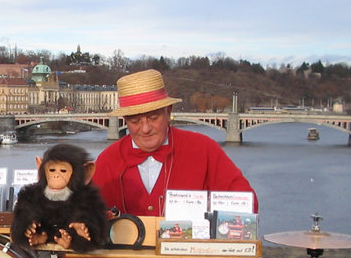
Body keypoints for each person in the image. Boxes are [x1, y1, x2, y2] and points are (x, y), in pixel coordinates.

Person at [92, 69, 257, 217]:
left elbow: (248, 204)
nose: (145, 128)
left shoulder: (204, 149)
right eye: (135, 121)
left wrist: (206, 212)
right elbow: (85, 215)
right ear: (125, 120)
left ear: (168, 111)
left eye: (154, 118)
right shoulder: (107, 160)